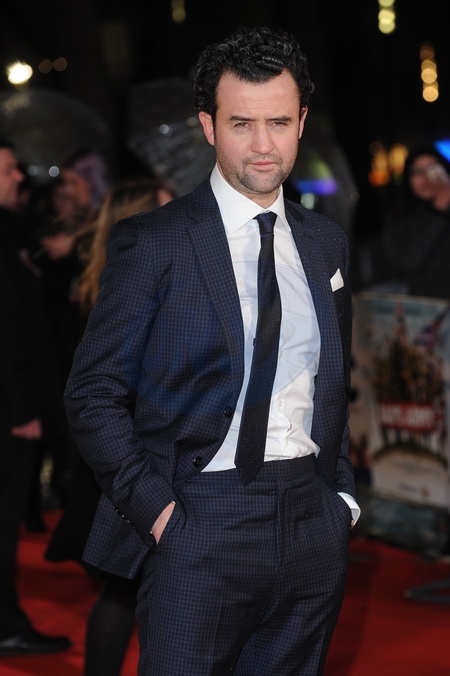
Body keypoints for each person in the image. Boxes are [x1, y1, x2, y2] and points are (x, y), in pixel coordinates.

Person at [64, 25, 359, 675]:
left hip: (310, 517)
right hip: (199, 516)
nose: (263, 145)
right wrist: (160, 513)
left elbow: (335, 376)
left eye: (278, 122)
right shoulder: (155, 242)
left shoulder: (324, 244)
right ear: (208, 126)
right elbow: (92, 393)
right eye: (241, 124)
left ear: (301, 123)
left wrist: (340, 499)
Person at [45, 175, 175, 676]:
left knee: (124, 586)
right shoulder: (129, 279)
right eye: (165, 206)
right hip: (129, 449)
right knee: (125, 587)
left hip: (113, 449)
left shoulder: (95, 275)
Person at [0, 137, 71, 657]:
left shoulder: (11, 232)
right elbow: (6, 332)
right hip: (8, 414)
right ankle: (5, 623)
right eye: (6, 170)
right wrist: (22, 410)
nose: (18, 178)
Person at [382, 143, 450, 300]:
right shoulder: (399, 215)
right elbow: (407, 261)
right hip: (425, 306)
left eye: (433, 170)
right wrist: (438, 209)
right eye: (418, 171)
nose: (426, 178)